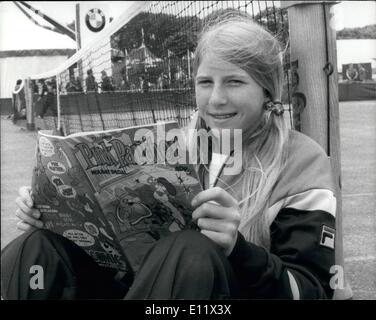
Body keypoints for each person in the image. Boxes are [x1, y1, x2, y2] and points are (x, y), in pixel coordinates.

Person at [2, 11, 336, 300]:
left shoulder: (301, 161)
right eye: (205, 81)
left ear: (267, 91)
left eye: (234, 81)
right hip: (150, 290)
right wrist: (56, 218)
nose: (216, 98)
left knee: (190, 250)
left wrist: (239, 250)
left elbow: (313, 290)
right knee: (36, 248)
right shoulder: (169, 145)